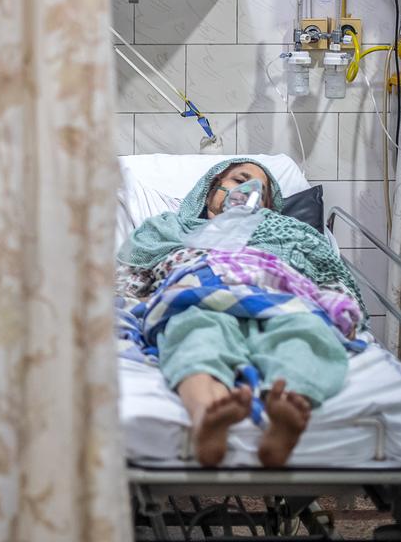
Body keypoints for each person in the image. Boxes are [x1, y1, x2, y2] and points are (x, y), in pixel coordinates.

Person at [116, 159, 367, 467]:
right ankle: (206, 414)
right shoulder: (168, 229)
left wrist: (344, 308)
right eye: (239, 180)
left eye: (261, 192)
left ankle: (288, 410)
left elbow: (330, 276)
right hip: (198, 292)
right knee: (195, 335)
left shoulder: (290, 232)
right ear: (210, 191)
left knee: (304, 333)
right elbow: (130, 278)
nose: (249, 191)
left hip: (279, 293)